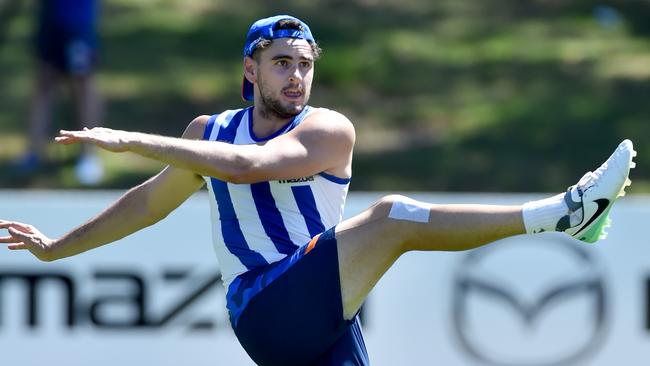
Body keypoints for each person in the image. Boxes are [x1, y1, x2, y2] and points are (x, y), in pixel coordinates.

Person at [0, 15, 636, 366]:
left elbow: (253, 166)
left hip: (325, 315)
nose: (297, 76)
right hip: (265, 311)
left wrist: (131, 138)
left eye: (305, 64)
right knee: (392, 217)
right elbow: (147, 204)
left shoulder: (328, 130)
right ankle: (566, 214)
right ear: (250, 70)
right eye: (282, 63)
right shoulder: (209, 133)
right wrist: (59, 249)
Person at [13, 0, 104, 185]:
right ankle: (34, 153)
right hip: (50, 16)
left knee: (82, 84)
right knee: (44, 82)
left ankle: (89, 155)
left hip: (78, 20)